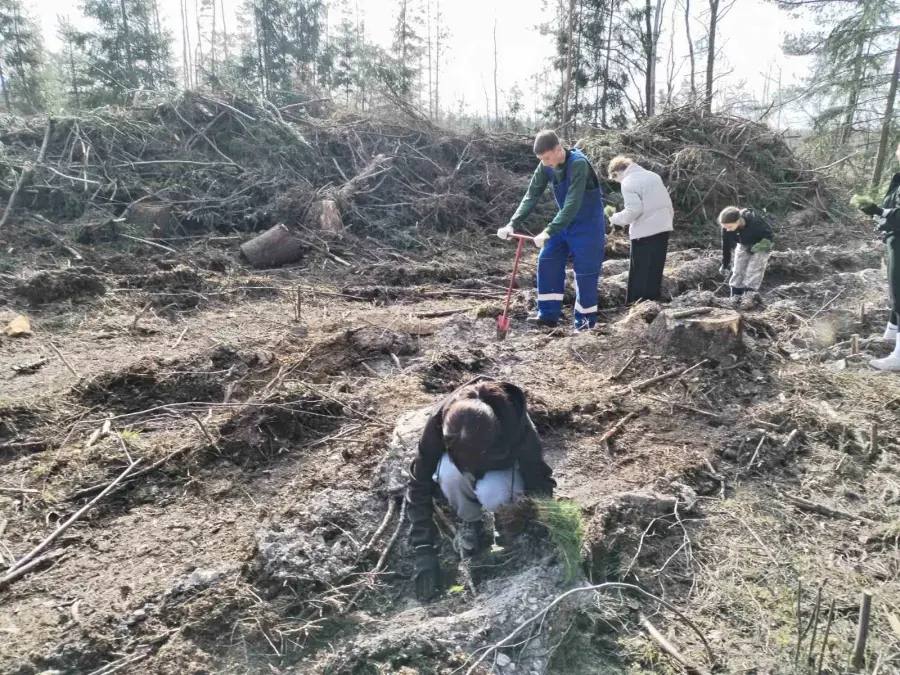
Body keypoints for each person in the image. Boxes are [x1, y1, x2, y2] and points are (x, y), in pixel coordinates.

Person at [406, 379, 555, 601]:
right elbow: (419, 484)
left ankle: (502, 520)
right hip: (457, 467)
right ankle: (471, 522)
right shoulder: (440, 424)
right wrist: (424, 549)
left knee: (492, 493)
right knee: (448, 474)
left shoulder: (517, 426)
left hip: (501, 469)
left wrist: (539, 518)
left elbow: (537, 474)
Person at [496, 130, 606, 330]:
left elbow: (573, 203)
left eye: (547, 158)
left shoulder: (579, 164)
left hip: (588, 228)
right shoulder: (545, 165)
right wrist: (512, 223)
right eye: (541, 159)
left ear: (558, 149)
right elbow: (531, 195)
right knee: (547, 260)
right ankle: (547, 315)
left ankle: (585, 325)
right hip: (563, 224)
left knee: (585, 275)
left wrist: (548, 230)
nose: (545, 163)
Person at [607, 156, 674, 304]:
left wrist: (614, 218)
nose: (617, 182)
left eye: (615, 178)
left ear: (617, 172)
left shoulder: (628, 182)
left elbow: (633, 211)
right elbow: (667, 202)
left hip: (644, 231)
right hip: (663, 226)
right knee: (655, 270)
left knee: (639, 273)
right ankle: (652, 304)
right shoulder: (653, 176)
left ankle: (635, 306)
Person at [859, 141, 900, 371]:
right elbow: (891, 209)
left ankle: (899, 356)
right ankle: (892, 333)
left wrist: (881, 212)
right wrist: (878, 215)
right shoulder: (898, 179)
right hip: (894, 240)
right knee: (895, 289)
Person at [718, 206, 775, 306]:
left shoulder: (756, 222)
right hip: (743, 243)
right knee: (738, 270)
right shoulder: (726, 229)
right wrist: (725, 264)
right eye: (725, 227)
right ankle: (735, 296)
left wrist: (757, 247)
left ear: (738, 221)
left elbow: (769, 237)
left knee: (753, 271)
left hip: (762, 243)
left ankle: (749, 298)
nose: (727, 230)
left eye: (729, 227)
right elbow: (726, 246)